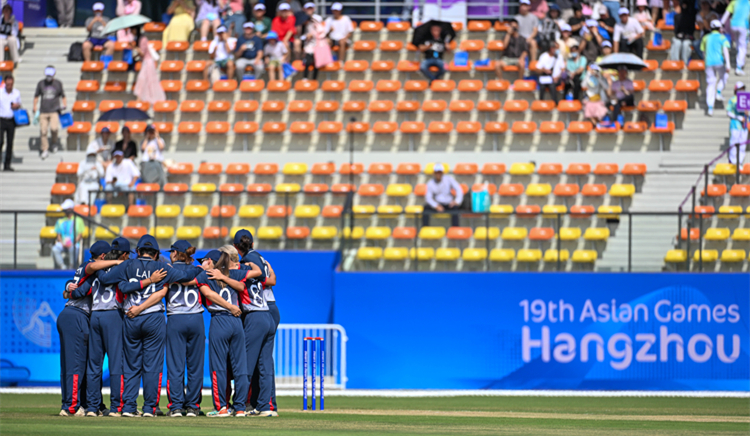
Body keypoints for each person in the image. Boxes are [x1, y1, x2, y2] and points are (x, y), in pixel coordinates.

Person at [96, 235, 202, 418]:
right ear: (156, 254)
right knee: (152, 365)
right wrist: (200, 269)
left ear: (137, 252)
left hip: (131, 317)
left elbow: (105, 279)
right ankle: (149, 408)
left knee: (131, 365)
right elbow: (187, 275)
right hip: (154, 317)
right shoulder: (161, 267)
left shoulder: (127, 265)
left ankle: (129, 407)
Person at [72, 238, 162, 417]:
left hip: (95, 314)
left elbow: (83, 288)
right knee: (116, 364)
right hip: (113, 315)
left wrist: (69, 290)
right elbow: (122, 286)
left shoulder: (96, 266)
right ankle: (116, 407)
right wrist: (150, 280)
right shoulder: (125, 266)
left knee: (94, 364)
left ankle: (92, 407)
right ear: (125, 254)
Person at [194, 246, 261, 417]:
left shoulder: (205, 275)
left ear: (211, 261)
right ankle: (239, 407)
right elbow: (250, 278)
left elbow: (208, 294)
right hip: (237, 322)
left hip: (220, 320)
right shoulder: (233, 273)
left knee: (218, 367)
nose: (202, 264)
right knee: (240, 367)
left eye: (204, 261)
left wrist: (229, 306)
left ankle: (221, 407)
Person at [57, 241, 122, 416]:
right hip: (77, 315)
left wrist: (66, 290)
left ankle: (87, 403)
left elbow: (73, 288)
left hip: (70, 314)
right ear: (102, 257)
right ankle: (70, 406)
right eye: (108, 255)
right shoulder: (91, 268)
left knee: (80, 363)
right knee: (76, 364)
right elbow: (79, 292)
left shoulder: (85, 268)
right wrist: (117, 263)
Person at [233, 230, 279, 416]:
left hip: (258, 308)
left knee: (248, 361)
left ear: (237, 247)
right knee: (265, 362)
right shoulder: (261, 257)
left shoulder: (246, 263)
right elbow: (273, 280)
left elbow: (248, 281)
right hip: (270, 307)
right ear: (252, 243)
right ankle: (267, 405)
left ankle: (241, 405)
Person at [163, 240, 206, 418]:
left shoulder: (167, 271)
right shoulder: (198, 270)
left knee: (175, 366)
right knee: (195, 366)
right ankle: (193, 407)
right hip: (196, 318)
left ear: (175, 253)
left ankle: (176, 407)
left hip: (175, 319)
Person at [33, 66, 66, 160]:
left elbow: (63, 95)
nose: (48, 77)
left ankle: (54, 143)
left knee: (54, 128)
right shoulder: (41, 83)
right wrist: (34, 106)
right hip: (43, 111)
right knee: (43, 131)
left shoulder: (58, 83)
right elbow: (36, 96)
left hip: (54, 110)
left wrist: (64, 104)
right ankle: (44, 149)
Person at [701, 19, 731, 116]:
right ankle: (718, 91)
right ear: (719, 28)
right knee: (724, 76)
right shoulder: (722, 37)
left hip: (708, 63)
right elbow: (726, 51)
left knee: (710, 83)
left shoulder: (705, 37)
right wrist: (728, 64)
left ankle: (710, 107)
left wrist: (705, 61)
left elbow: (703, 51)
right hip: (719, 62)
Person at [52, 199, 86, 269]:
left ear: (70, 209)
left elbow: (80, 235)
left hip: (74, 244)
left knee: (72, 248)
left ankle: (71, 266)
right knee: (55, 249)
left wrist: (72, 243)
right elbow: (59, 235)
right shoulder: (60, 220)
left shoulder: (78, 220)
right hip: (63, 244)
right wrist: (62, 243)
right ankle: (62, 266)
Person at [722, 0, 749, 75]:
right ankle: (739, 67)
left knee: (738, 44)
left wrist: (721, 25)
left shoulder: (734, 2)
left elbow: (726, 13)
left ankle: (740, 59)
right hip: (743, 25)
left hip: (733, 25)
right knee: (743, 46)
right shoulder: (748, 2)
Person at [0, 74, 20, 171]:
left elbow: (19, 104)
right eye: (8, 84)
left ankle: (7, 165)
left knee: (10, 142)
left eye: (11, 84)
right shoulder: (0, 93)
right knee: (0, 142)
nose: (9, 86)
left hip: (11, 120)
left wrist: (17, 106)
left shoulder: (16, 93)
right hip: (1, 119)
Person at [727, 82, 748, 165]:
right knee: (734, 143)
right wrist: (738, 117)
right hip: (735, 125)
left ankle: (740, 161)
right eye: (740, 89)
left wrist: (747, 113)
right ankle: (732, 161)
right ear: (736, 90)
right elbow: (728, 112)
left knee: (743, 144)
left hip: (744, 125)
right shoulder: (733, 99)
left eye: (743, 88)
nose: (741, 90)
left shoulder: (747, 99)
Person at [301, 14, 325, 80]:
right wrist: (307, 37)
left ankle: (314, 79)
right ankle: (305, 77)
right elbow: (302, 37)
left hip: (318, 48)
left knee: (316, 63)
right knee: (307, 62)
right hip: (309, 48)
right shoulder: (308, 27)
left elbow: (322, 37)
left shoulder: (321, 28)